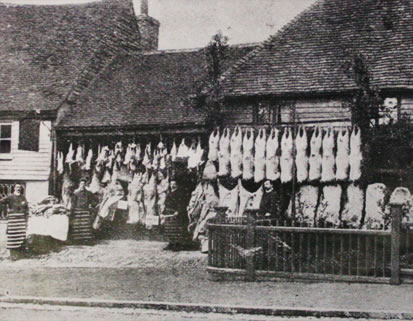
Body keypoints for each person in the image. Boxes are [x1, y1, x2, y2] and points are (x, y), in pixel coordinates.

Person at [0, 184, 29, 259]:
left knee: (21, 235)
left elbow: (26, 208)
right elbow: (1, 202)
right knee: (13, 236)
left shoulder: (23, 197)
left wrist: (26, 219)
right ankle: (12, 255)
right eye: (17, 187)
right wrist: (5, 211)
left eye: (19, 187)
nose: (18, 188)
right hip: (13, 219)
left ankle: (20, 254)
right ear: (14, 188)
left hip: (21, 219)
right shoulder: (10, 197)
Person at [70, 177, 97, 243]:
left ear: (85, 185)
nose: (82, 185)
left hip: (85, 210)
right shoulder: (75, 193)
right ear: (79, 184)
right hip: (77, 210)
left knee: (85, 225)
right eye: (81, 184)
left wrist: (91, 205)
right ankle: (77, 240)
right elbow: (73, 202)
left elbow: (94, 200)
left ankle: (86, 240)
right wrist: (71, 210)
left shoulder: (88, 193)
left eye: (84, 184)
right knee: (78, 225)